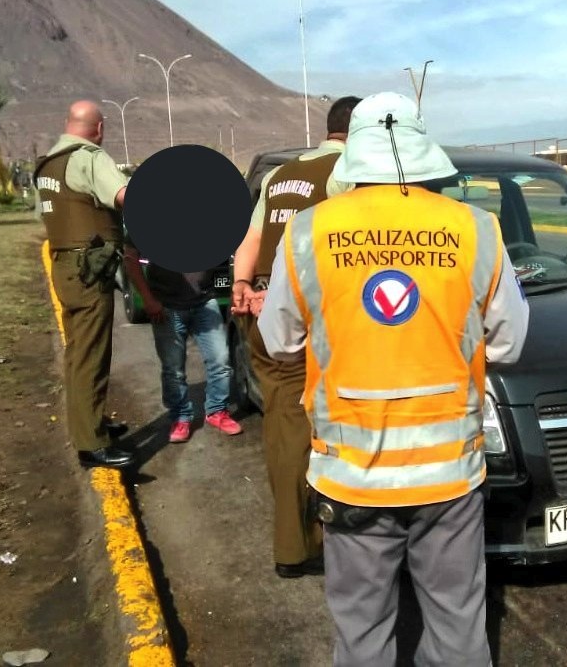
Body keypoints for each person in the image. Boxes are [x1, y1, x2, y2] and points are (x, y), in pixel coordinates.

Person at [258, 92, 529, 665]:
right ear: (419, 148)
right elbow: (508, 341)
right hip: (449, 478)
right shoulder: (476, 228)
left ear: (353, 154)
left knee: (362, 633)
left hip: (351, 478)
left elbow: (279, 340)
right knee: (458, 625)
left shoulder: (308, 232)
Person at [231, 95, 361, 578]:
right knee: (321, 431)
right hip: (312, 318)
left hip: (264, 309)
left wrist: (243, 286)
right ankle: (320, 543)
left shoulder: (280, 175)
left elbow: (252, 237)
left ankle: (294, 542)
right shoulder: (347, 172)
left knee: (283, 427)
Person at [34, 100, 135, 470]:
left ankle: (89, 423)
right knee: (92, 354)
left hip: (64, 266)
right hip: (90, 270)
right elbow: (124, 196)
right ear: (100, 127)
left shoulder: (47, 164)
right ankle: (92, 444)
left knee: (78, 352)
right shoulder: (88, 157)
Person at [123, 238, 242, 443]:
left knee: (220, 359)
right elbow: (130, 258)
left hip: (205, 300)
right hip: (166, 304)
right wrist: (148, 299)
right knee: (173, 368)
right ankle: (180, 417)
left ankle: (217, 411)